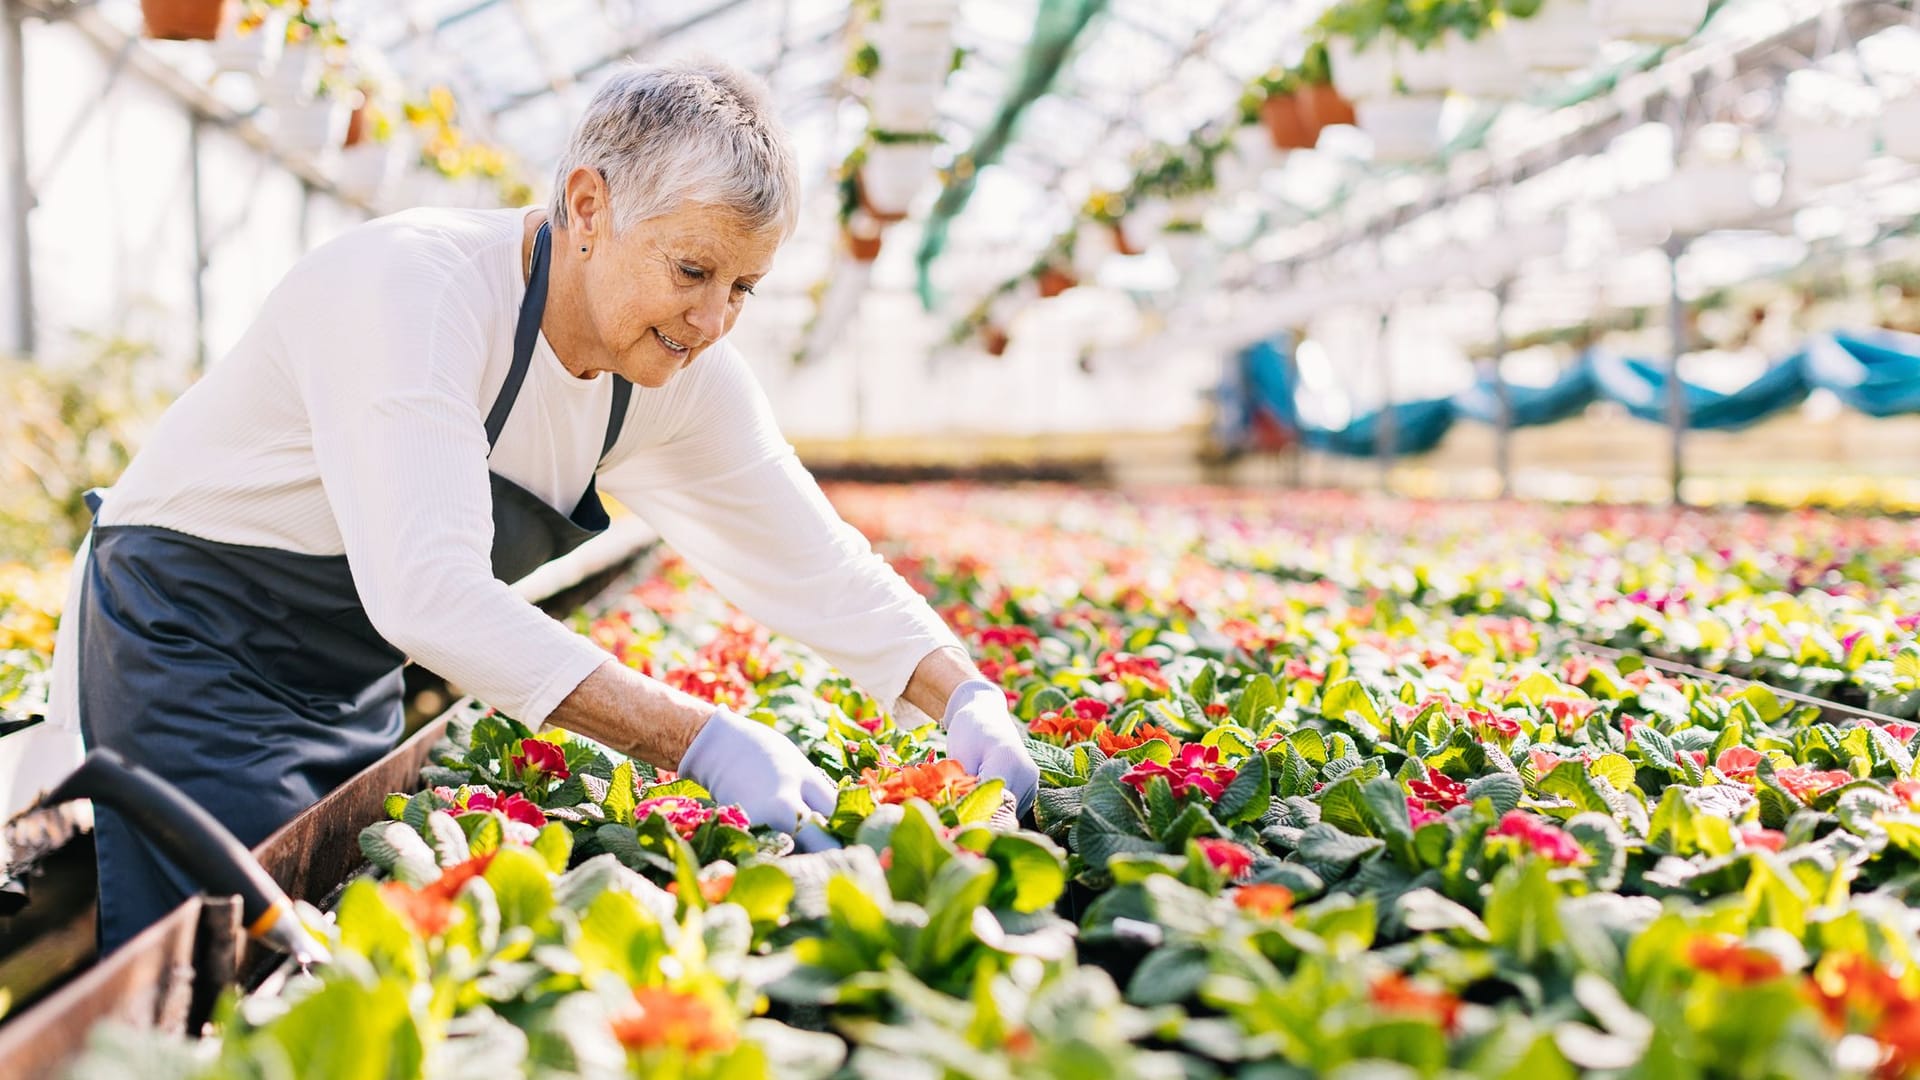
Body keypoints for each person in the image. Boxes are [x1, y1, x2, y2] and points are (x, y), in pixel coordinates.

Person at [46, 58, 1038, 952]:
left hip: (347, 673)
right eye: (693, 269)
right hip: (189, 646)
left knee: (329, 942)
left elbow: (812, 558)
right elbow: (429, 594)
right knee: (232, 964)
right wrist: (699, 740)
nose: (711, 320)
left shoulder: (680, 367)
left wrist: (962, 695)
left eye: (744, 285)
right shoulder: (415, 291)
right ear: (588, 205)